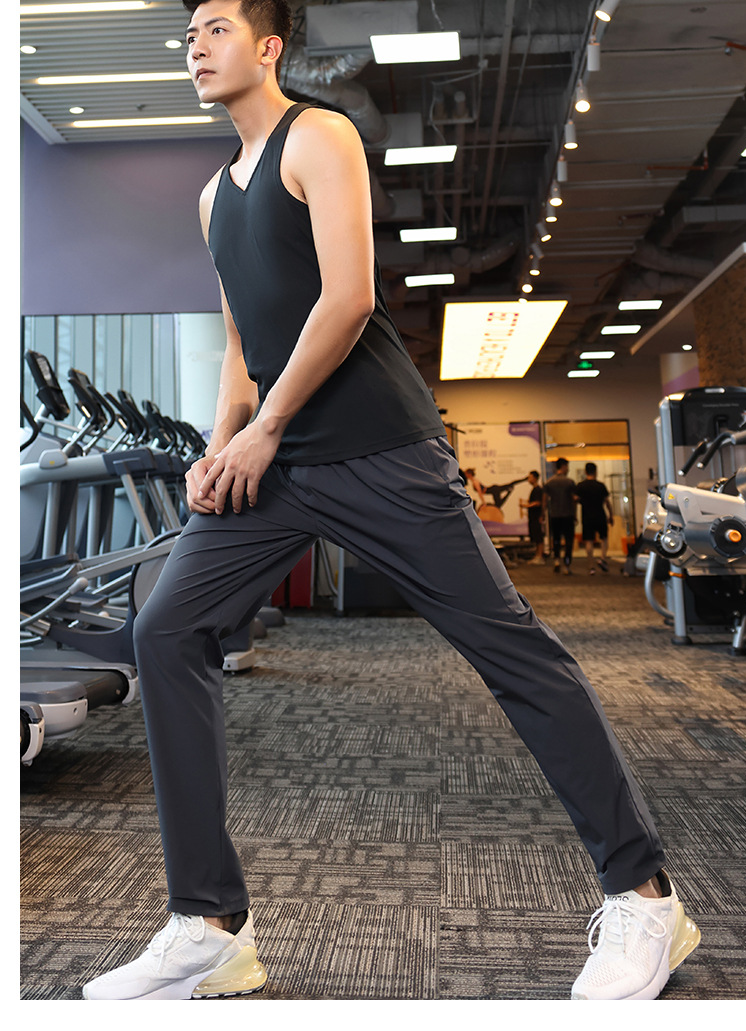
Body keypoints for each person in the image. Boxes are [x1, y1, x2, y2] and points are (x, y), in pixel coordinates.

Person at [82, 0, 700, 1002]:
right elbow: (241, 343)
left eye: (216, 28)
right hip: (274, 462)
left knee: (512, 651)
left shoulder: (317, 136)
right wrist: (219, 445)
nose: (195, 45)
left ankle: (646, 897)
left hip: (380, 450)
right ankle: (208, 923)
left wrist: (266, 426)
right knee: (165, 630)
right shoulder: (210, 197)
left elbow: (349, 298)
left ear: (269, 46)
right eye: (187, 33)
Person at [575, 462, 615, 574]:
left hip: (587, 516)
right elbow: (607, 502)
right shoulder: (600, 486)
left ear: (585, 472)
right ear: (596, 472)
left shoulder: (580, 486)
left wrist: (574, 515)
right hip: (600, 515)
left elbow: (575, 500)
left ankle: (591, 566)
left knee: (589, 540)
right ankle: (603, 558)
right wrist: (611, 515)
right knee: (604, 538)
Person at [542, 457, 577, 574]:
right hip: (568, 515)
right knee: (568, 541)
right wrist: (575, 514)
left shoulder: (549, 482)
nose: (568, 469)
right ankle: (567, 565)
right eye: (567, 466)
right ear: (563, 466)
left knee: (556, 539)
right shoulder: (569, 482)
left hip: (554, 515)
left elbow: (544, 500)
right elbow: (573, 499)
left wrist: (543, 514)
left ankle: (556, 560)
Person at [521, 470, 545, 564]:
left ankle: (540, 556)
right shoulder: (534, 489)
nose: (528, 479)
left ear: (535, 478)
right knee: (535, 536)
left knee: (539, 537)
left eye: (530, 477)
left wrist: (526, 506)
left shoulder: (538, 489)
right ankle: (537, 555)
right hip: (533, 517)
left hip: (536, 517)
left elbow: (538, 503)